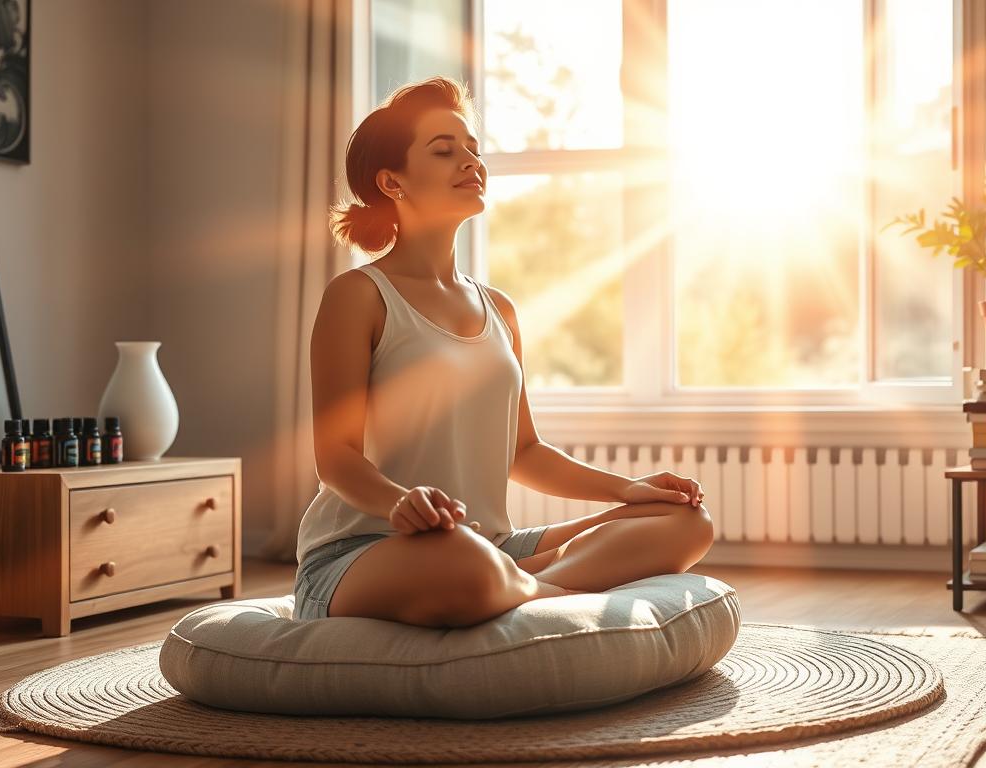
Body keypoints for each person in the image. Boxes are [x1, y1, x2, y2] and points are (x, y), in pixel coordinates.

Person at [292, 76, 714, 628]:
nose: (471, 162)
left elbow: (525, 451)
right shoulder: (359, 296)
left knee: (684, 521)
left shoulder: (499, 309)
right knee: (465, 562)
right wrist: (399, 501)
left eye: (472, 148)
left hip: (491, 545)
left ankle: (522, 588)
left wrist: (629, 489)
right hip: (364, 552)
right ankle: (529, 587)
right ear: (393, 182)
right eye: (445, 151)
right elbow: (337, 457)